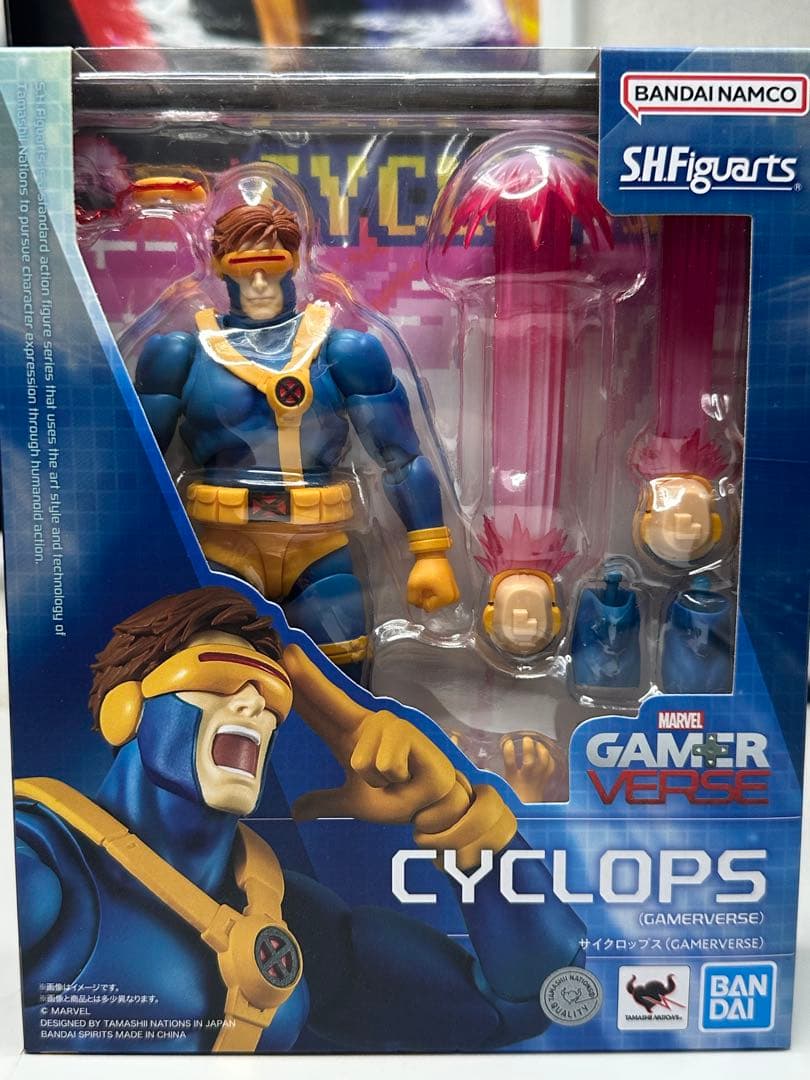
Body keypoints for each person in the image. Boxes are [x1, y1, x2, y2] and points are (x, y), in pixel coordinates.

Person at [15, 587, 585, 1053]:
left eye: (271, 694)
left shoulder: (287, 922)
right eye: (218, 679)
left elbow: (525, 1004)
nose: (253, 707)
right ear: (126, 708)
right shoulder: (39, 866)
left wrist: (461, 822)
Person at [135, 200, 459, 683]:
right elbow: (138, 465)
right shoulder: (180, 353)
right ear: (220, 267)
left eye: (272, 265)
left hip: (319, 543)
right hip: (222, 543)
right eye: (244, 269)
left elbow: (400, 457)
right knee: (220, 681)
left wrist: (430, 552)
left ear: (294, 262)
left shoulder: (344, 349)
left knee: (342, 678)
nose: (259, 283)